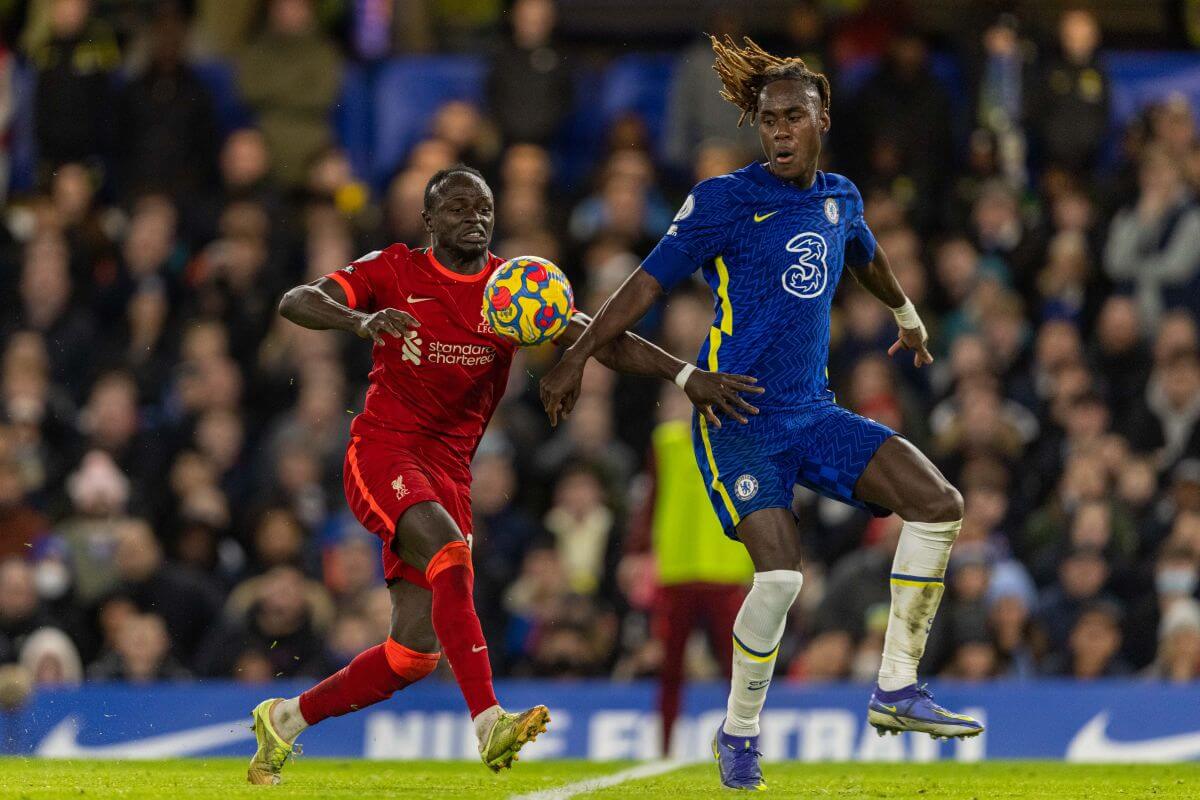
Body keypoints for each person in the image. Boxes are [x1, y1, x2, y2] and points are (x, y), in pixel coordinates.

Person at [540, 36, 980, 791]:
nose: (778, 132)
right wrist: (581, 357)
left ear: (823, 118)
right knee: (780, 582)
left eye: (792, 118)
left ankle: (897, 689)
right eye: (767, 120)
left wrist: (906, 314)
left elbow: (865, 254)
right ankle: (739, 735)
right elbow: (645, 288)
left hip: (814, 412)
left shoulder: (841, 196)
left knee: (939, 504)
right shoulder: (724, 202)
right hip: (739, 418)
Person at [248, 164, 760, 783]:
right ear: (428, 220)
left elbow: (600, 336)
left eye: (484, 208)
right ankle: (488, 720)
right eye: (459, 208)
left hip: (450, 471)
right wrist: (362, 322)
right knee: (450, 556)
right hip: (384, 450)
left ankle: (285, 720)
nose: (475, 218)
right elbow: (296, 300)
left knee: (411, 655)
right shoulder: (395, 269)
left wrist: (685, 375)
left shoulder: (511, 289)